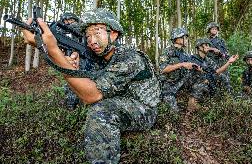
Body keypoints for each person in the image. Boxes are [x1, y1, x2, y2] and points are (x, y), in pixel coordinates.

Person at [21, 8, 160, 164]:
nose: (91, 41)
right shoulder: (99, 55)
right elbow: (85, 85)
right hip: (120, 97)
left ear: (113, 34)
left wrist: (53, 50)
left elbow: (91, 96)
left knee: (101, 111)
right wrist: (71, 65)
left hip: (144, 109)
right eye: (87, 36)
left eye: (97, 33)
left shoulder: (131, 58)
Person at [187, 38, 238, 112]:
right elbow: (193, 76)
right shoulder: (192, 59)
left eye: (208, 45)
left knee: (222, 76)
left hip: (207, 83)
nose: (208, 47)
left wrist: (229, 62)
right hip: (196, 84)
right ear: (199, 47)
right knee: (202, 84)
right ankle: (193, 104)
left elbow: (217, 71)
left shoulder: (208, 60)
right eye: (206, 45)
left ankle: (229, 98)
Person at [159, 27, 196, 111]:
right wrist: (181, 64)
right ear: (177, 38)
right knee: (174, 111)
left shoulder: (185, 54)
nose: (186, 40)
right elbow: (163, 69)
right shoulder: (167, 51)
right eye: (185, 37)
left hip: (182, 83)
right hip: (169, 85)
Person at [206, 22, 232, 91]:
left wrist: (220, 53)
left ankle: (227, 97)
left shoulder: (221, 41)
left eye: (216, 29)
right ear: (209, 30)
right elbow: (204, 51)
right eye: (212, 29)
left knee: (225, 81)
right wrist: (212, 49)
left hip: (221, 63)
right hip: (211, 63)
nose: (214, 30)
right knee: (211, 81)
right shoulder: (206, 41)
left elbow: (227, 54)